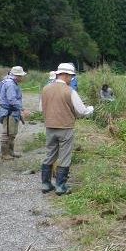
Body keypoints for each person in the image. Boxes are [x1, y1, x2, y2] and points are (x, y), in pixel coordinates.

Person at [40, 63, 94, 195]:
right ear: (65, 75)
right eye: (71, 76)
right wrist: (90, 109)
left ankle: (46, 184)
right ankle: (60, 186)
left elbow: (40, 108)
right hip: (65, 127)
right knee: (65, 156)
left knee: (50, 154)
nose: (71, 79)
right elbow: (81, 111)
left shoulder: (45, 89)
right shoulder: (70, 91)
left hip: (49, 127)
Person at [0, 66, 27, 160]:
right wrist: (22, 109)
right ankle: (4, 154)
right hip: (9, 112)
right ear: (17, 76)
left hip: (12, 112)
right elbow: (12, 99)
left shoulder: (10, 82)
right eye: (21, 76)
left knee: (12, 133)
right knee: (7, 133)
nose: (22, 78)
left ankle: (10, 152)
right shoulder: (10, 84)